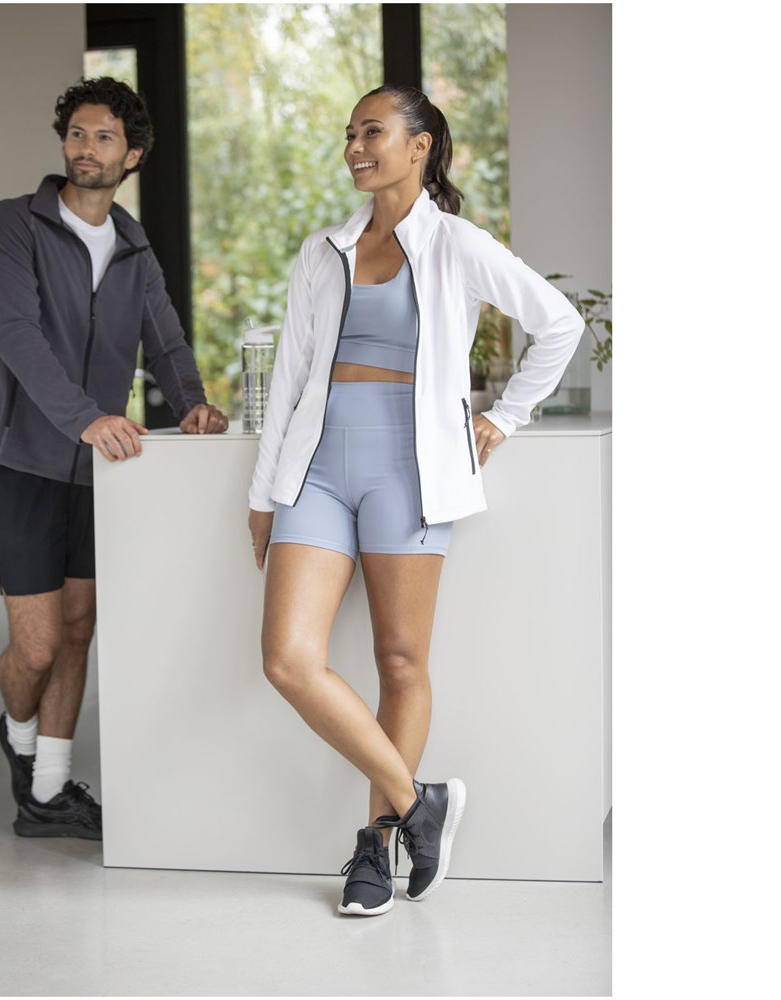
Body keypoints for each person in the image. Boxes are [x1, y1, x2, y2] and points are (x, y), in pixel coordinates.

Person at [247, 84, 584, 915]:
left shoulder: (456, 243)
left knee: (400, 663)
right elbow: (290, 376)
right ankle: (416, 800)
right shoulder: (323, 249)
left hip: (411, 471)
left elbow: (560, 324)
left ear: (420, 144)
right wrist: (263, 492)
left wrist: (505, 418)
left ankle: (377, 848)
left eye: (373, 131)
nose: (356, 147)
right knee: (288, 659)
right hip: (317, 470)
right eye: (350, 134)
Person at [0, 77, 228, 841]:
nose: (86, 148)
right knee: (38, 644)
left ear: (132, 155)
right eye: (77, 133)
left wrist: (192, 403)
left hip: (97, 471)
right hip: (22, 459)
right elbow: (17, 336)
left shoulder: (132, 246)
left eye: (104, 137)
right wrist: (84, 418)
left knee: (80, 626)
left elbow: (166, 341)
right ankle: (19, 736)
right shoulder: (12, 226)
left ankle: (48, 792)